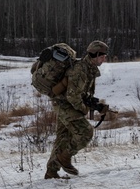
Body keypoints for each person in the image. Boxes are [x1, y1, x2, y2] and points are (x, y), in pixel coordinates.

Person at [45, 41, 109, 179]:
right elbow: (73, 96)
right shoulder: (80, 70)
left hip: (66, 103)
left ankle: (51, 172)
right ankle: (65, 157)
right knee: (86, 132)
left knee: (62, 138)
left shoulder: (88, 69)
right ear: (95, 55)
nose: (104, 59)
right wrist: (84, 109)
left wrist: (96, 105)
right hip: (65, 104)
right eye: (102, 56)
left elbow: (81, 93)